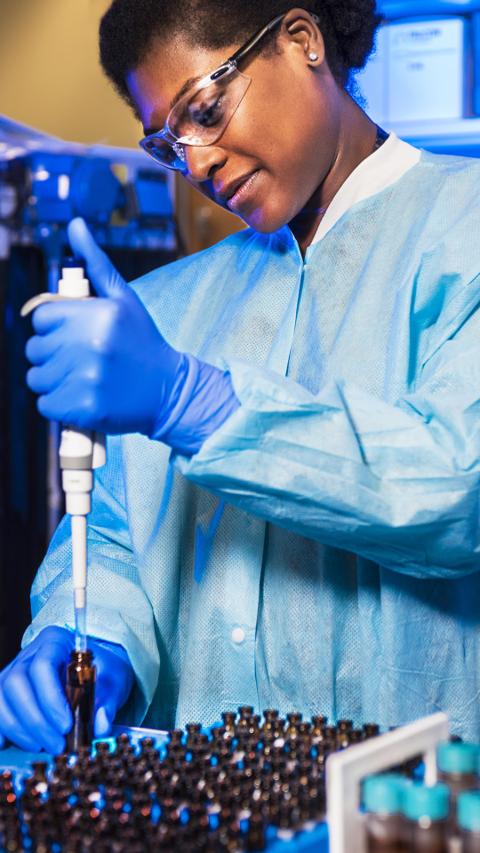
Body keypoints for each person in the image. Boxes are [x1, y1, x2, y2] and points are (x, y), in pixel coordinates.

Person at [1, 0, 480, 755]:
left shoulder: (464, 230)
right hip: (202, 798)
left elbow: (459, 489)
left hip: (409, 795)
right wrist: (86, 633)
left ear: (302, 40)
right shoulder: (165, 307)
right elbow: (119, 533)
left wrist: (195, 404)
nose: (195, 166)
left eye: (205, 112)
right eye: (168, 145)